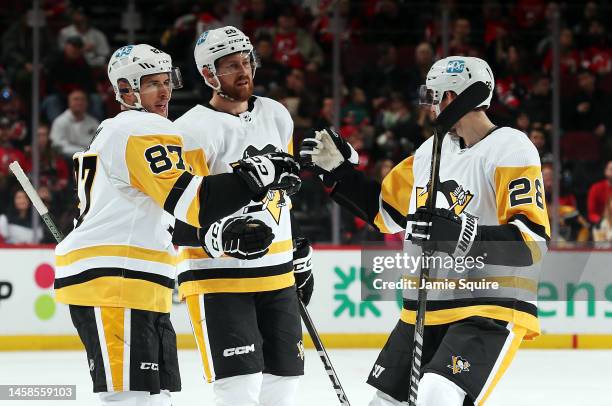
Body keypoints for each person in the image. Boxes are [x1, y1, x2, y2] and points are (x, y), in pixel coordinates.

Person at [54, 43, 300, 406]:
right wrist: (257, 174)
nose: (165, 91)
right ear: (125, 90)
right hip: (114, 282)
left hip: (137, 282)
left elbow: (176, 219)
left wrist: (218, 237)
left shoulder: (128, 130)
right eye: (151, 83)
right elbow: (194, 202)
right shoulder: (139, 131)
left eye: (166, 81)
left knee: (155, 399)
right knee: (130, 398)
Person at [300, 56, 550, 405]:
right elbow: (386, 213)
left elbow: (532, 242)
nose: (429, 105)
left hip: (489, 305)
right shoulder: (429, 151)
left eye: (434, 95)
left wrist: (461, 233)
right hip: (425, 305)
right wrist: (342, 176)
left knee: (438, 395)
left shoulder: (510, 146)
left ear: (454, 96)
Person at [173, 26, 313, 406]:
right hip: (217, 279)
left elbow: (281, 193)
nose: (244, 71)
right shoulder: (189, 131)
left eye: (247, 61)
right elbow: (173, 214)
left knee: (283, 386)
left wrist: (297, 245)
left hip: (277, 276)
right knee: (239, 390)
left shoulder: (277, 114)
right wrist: (219, 236)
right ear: (208, 75)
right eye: (231, 65)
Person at [49, 89, 100, 158]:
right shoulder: (60, 122)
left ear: (87, 103)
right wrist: (82, 152)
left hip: (90, 158)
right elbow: (58, 146)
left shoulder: (93, 122)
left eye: (82, 99)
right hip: (68, 159)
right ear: (69, 102)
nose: (79, 102)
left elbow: (99, 143)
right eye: (76, 99)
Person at [587, 160, 612, 224]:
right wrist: (602, 222)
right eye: (611, 169)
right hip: (602, 226)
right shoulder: (596, 188)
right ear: (605, 171)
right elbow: (592, 214)